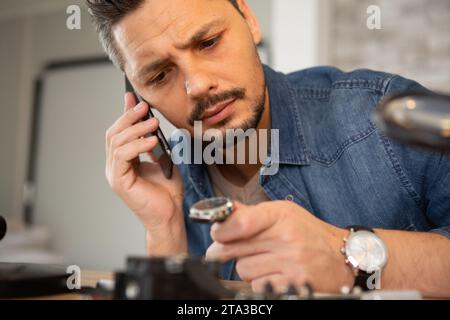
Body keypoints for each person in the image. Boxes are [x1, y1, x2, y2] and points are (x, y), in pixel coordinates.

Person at [87, 0, 450, 296]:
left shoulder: (384, 116)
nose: (196, 85)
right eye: (160, 75)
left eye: (208, 42)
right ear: (139, 100)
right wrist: (165, 232)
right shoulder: (170, 177)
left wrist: (347, 257)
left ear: (249, 20)